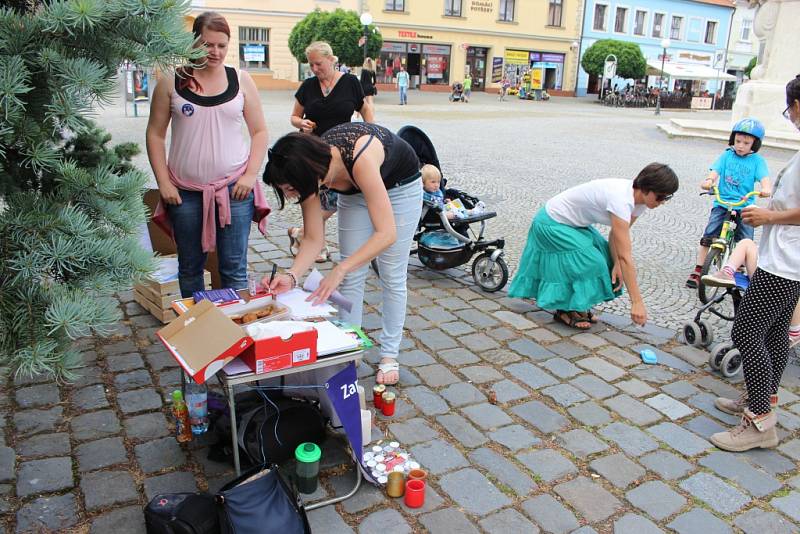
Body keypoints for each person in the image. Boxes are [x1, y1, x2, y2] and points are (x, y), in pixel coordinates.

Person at [263, 123, 423, 386]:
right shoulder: (309, 175)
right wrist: (291, 276)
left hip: (400, 187)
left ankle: (389, 355)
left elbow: (386, 234)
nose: (290, 196)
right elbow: (313, 238)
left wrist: (340, 268)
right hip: (353, 191)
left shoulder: (359, 156)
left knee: (391, 274)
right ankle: (350, 346)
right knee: (351, 275)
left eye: (290, 189)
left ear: (308, 174)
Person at [146, 11, 269, 298]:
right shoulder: (171, 81)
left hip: (234, 190)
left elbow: (260, 132)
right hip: (185, 192)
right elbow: (155, 134)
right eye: (207, 44)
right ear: (194, 43)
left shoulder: (241, 80)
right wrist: (164, 182)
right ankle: (197, 333)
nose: (215, 52)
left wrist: (250, 176)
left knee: (233, 267)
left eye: (221, 45)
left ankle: (232, 332)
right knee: (190, 267)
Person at [710, 75, 800, 452]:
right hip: (785, 257)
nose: (791, 117)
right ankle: (760, 402)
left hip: (788, 262)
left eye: (790, 109)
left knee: (746, 331)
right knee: (775, 335)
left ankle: (760, 422)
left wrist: (768, 217)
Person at [509, 164, 679, 329]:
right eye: (661, 196)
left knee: (606, 257)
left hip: (572, 224)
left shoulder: (640, 203)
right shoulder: (621, 199)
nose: (662, 202)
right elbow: (626, 256)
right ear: (646, 188)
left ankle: (574, 305)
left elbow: (617, 237)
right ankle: (566, 309)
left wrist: (617, 265)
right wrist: (637, 302)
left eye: (667, 197)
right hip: (551, 223)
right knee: (591, 262)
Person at [288, 41, 375, 263]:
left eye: (318, 64)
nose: (314, 69)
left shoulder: (350, 82)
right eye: (311, 65)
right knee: (316, 198)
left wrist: (372, 132)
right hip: (314, 150)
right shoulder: (308, 86)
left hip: (342, 152)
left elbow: (364, 108)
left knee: (339, 197)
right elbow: (294, 117)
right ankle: (318, 245)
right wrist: (302, 123)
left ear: (331, 59)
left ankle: (301, 233)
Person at [686, 118, 772, 288]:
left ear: (754, 145)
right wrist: (709, 181)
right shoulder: (726, 155)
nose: (740, 145)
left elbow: (765, 180)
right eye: (737, 141)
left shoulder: (757, 161)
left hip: (744, 205)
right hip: (722, 202)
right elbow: (714, 172)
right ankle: (698, 269)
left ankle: (739, 271)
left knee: (745, 238)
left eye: (746, 143)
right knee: (708, 235)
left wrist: (766, 188)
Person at [702, 239, 800, 348]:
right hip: (767, 270)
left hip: (784, 277)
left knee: (747, 334)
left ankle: (795, 330)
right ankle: (727, 271)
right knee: (746, 243)